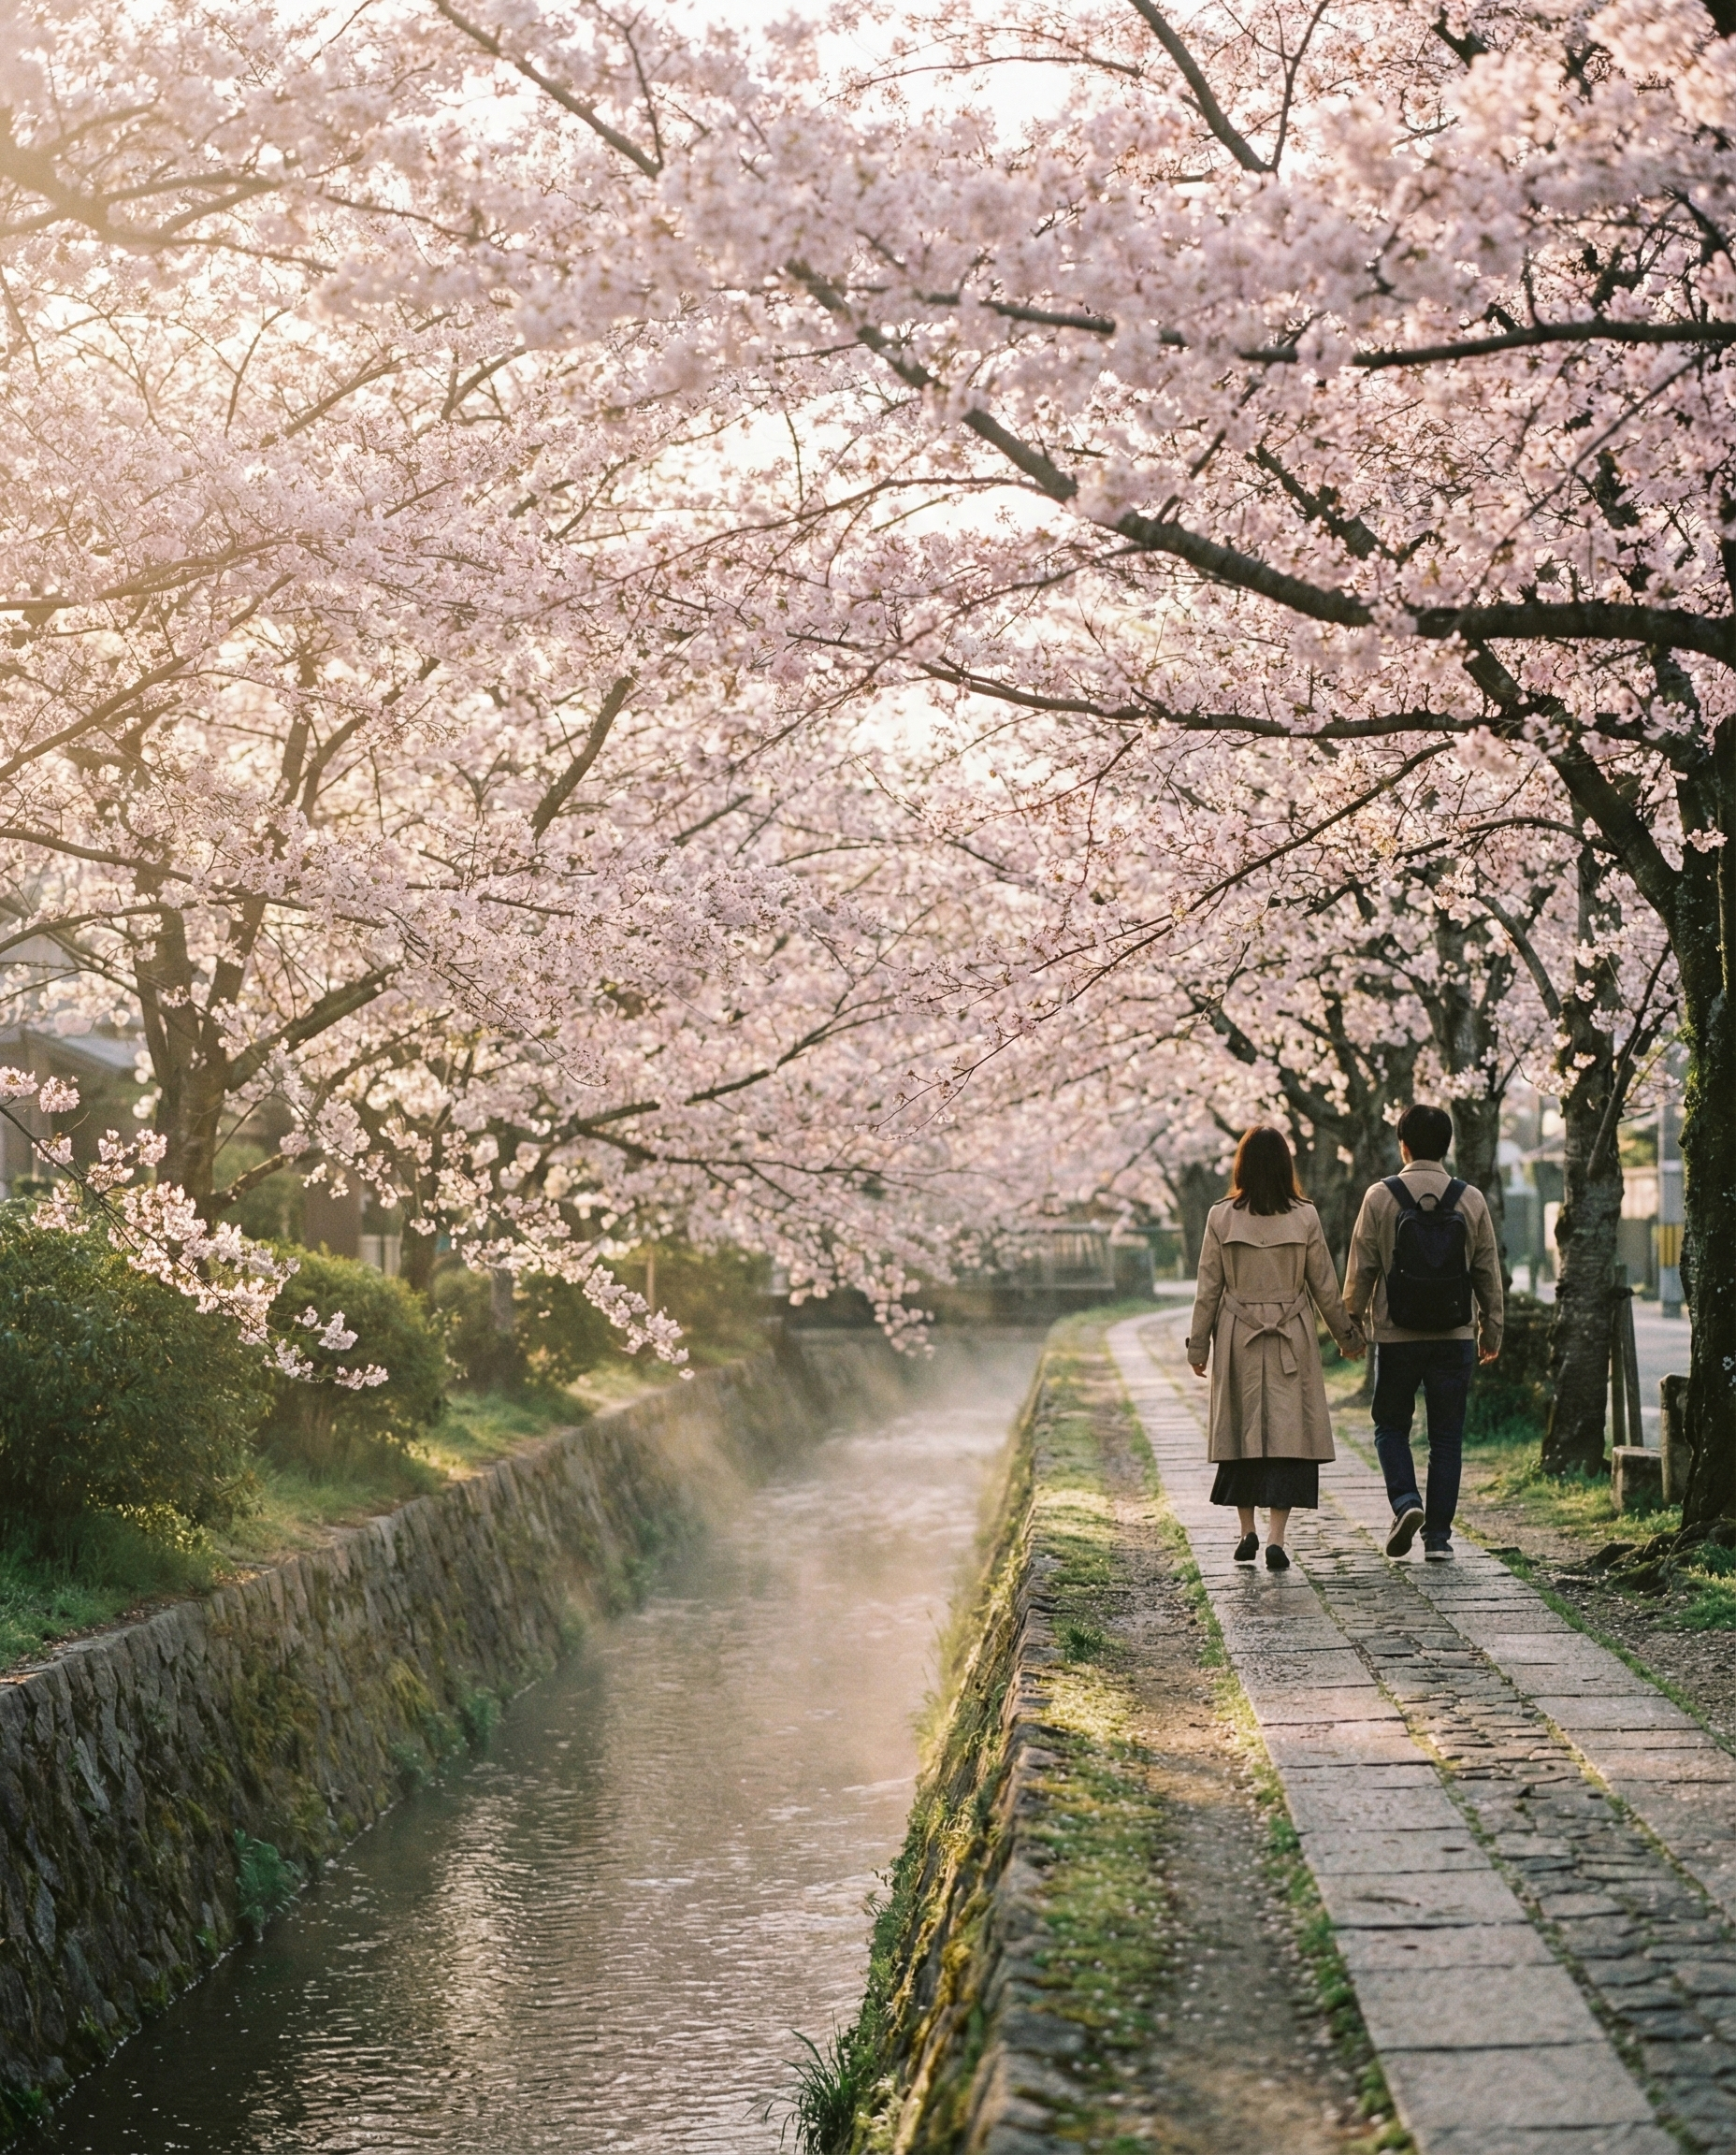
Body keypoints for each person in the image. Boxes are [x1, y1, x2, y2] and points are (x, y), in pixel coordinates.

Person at [1187, 1125, 1365, 1571]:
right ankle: (1276, 1538)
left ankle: (1245, 1530)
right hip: (1291, 1334)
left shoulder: (1221, 1217)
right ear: (1287, 1165)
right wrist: (1347, 1337)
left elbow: (1208, 1288)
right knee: (1289, 1437)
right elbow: (1325, 1284)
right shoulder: (1304, 1216)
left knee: (1241, 1432)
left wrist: (1197, 1346)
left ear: (1241, 1165)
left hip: (1237, 1335)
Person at [1344, 1103, 1504, 1563]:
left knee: (1391, 1426)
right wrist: (1491, 1329)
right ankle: (1438, 1538)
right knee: (1446, 1438)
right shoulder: (1469, 1198)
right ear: (1448, 1145)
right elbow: (1487, 1270)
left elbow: (1362, 1269)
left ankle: (1405, 1502)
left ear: (1404, 1145)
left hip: (1397, 1337)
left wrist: (1350, 1329)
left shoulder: (1380, 1196)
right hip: (1454, 1335)